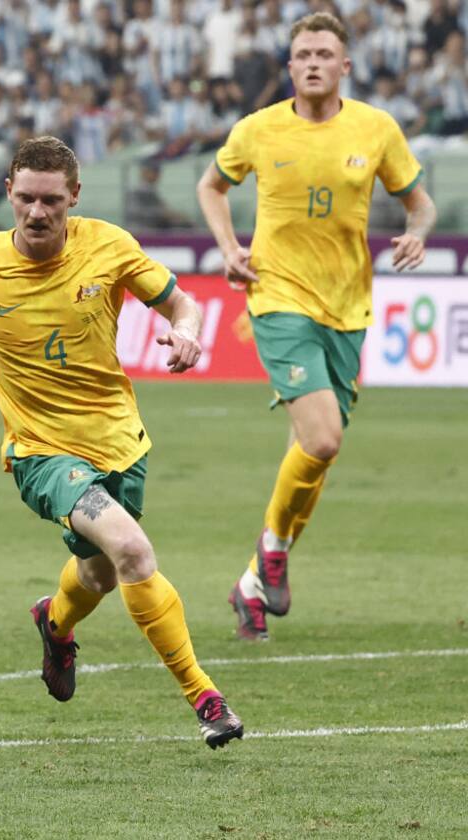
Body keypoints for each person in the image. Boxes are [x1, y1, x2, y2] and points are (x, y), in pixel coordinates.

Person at [0, 136, 244, 750]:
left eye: (52, 202)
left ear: (74, 198)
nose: (38, 213)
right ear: (8, 192)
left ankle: (55, 623)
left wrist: (188, 334)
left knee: (99, 574)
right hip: (40, 454)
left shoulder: (110, 247)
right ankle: (205, 698)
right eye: (27, 198)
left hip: (119, 441)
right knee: (133, 553)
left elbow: (180, 303)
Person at [196, 13, 437, 642]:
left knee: (312, 454)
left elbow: (420, 201)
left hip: (349, 307)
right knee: (324, 439)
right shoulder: (258, 129)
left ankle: (252, 580)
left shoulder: (376, 129)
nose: (312, 62)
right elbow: (211, 186)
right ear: (289, 65)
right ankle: (274, 550)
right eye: (302, 53)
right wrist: (228, 246)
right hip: (276, 296)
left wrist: (416, 232)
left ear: (345, 65)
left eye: (324, 53)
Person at [125, 159, 192, 231]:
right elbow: (136, 212)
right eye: (153, 172)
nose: (157, 175)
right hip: (141, 231)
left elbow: (162, 210)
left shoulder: (150, 190)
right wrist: (164, 214)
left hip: (153, 229)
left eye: (157, 172)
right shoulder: (139, 190)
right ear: (144, 172)